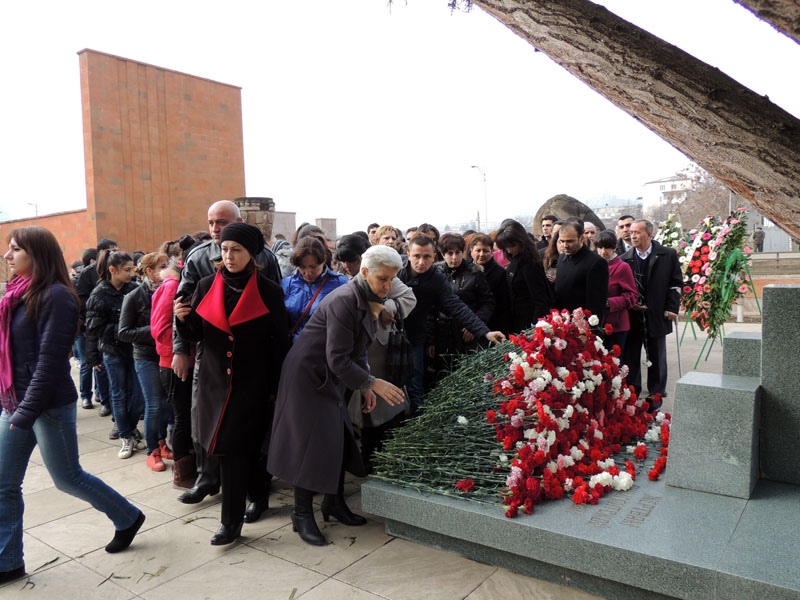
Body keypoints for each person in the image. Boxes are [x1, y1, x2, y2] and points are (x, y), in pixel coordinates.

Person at [1, 227, 145, 585]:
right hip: (15, 402)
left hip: (47, 405)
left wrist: (24, 411)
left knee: (67, 478)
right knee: (3, 485)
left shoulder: (57, 297)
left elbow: (50, 363)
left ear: (38, 254)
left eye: (15, 249)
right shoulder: (16, 295)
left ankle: (127, 517)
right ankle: (7, 563)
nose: (7, 256)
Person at [269, 245, 407, 546]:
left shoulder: (368, 295)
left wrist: (364, 384)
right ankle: (302, 513)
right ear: (365, 272)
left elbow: (356, 349)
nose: (388, 286)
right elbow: (338, 358)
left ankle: (333, 503)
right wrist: (372, 383)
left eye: (392, 280)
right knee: (309, 444)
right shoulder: (346, 299)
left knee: (337, 439)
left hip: (331, 377)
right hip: (308, 376)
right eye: (383, 279)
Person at [175, 222, 289, 545]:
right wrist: (182, 319)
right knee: (231, 449)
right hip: (213, 384)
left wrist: (276, 388)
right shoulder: (206, 285)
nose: (229, 256)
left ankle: (231, 523)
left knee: (236, 452)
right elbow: (197, 334)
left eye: (236, 250)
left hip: (251, 384)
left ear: (252, 253)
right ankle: (258, 496)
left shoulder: (269, 290)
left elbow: (280, 343)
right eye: (225, 250)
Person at [399, 235, 505, 414]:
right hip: (390, 332)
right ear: (408, 254)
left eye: (427, 257)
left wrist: (484, 333)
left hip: (416, 333)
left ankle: (416, 422)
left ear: (434, 256)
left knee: (415, 379)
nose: (421, 262)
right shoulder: (396, 271)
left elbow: (456, 306)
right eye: (417, 256)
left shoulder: (436, 278)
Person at [86, 250, 145, 459]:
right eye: (127, 270)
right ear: (113, 270)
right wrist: (92, 358)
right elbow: (93, 330)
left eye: (132, 269)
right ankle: (126, 436)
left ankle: (129, 428)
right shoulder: (99, 294)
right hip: (112, 351)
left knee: (138, 396)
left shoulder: (134, 288)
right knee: (118, 394)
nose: (131, 273)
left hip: (135, 349)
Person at [619, 219, 682, 412]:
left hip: (657, 314)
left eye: (638, 232)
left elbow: (676, 284)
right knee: (631, 356)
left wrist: (672, 308)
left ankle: (656, 394)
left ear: (649, 234)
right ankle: (633, 391)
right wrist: (630, 302)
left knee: (656, 354)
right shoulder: (625, 258)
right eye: (631, 232)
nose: (633, 235)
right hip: (633, 315)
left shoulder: (667, 255)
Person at [118, 252, 173, 472]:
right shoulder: (134, 297)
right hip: (146, 357)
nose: (167, 268)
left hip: (165, 354)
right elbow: (123, 332)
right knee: (154, 404)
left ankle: (162, 442)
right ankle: (153, 451)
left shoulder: (170, 290)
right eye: (162, 266)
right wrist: (155, 330)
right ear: (149, 271)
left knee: (167, 403)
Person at [151, 262, 196, 488]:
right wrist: (182, 352)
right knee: (183, 418)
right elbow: (160, 329)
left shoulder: (174, 285)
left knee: (186, 417)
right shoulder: (172, 286)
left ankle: (188, 471)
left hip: (182, 361)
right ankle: (183, 474)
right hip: (175, 363)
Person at [430, 233, 495, 375]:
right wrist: (431, 340)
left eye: (458, 253)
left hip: (468, 336)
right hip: (443, 335)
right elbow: (431, 309)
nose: (454, 258)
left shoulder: (475, 272)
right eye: (449, 253)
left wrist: (475, 325)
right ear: (442, 254)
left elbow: (488, 302)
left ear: (463, 252)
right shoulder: (436, 274)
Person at [75, 239, 117, 418]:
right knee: (95, 364)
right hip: (94, 325)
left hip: (114, 329)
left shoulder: (118, 270)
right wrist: (87, 320)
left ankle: (109, 400)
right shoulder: (88, 274)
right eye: (111, 250)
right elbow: (81, 299)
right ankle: (100, 399)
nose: (114, 253)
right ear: (101, 252)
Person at [283, 237, 348, 342]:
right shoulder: (287, 284)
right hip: (294, 349)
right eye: (302, 267)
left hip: (324, 349)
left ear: (324, 260)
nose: (308, 273)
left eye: (313, 267)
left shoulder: (340, 284)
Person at [495, 219, 553, 334]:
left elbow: (540, 300)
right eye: (505, 247)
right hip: (516, 320)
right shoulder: (515, 259)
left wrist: (535, 329)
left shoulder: (530, 264)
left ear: (521, 242)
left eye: (511, 246)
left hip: (527, 323)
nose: (508, 250)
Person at [553, 221, 609, 322]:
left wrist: (591, 332)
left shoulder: (596, 263)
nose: (565, 245)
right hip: (562, 324)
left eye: (570, 241)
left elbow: (597, 304)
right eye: (562, 241)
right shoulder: (562, 258)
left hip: (582, 327)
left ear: (582, 239)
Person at [595, 230, 638, 354]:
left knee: (614, 364)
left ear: (615, 248)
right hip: (596, 324)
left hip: (616, 325)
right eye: (600, 247)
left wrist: (609, 303)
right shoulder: (593, 265)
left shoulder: (622, 267)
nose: (604, 252)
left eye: (608, 248)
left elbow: (632, 296)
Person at [71, 247, 100, 411]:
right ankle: (86, 396)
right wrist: (82, 325)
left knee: (95, 362)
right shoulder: (80, 281)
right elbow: (78, 306)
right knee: (86, 363)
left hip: (91, 327)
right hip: (83, 329)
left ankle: (95, 393)